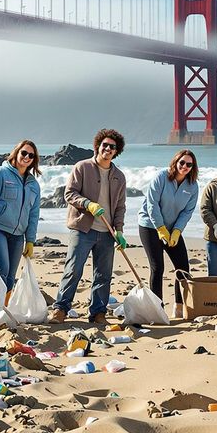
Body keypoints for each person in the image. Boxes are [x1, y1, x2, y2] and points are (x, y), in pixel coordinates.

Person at [53, 128, 128, 324]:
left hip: (107, 232)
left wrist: (119, 231)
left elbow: (120, 206)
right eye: (105, 145)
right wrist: (88, 204)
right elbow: (69, 194)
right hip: (82, 228)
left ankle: (98, 313)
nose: (108, 149)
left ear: (116, 151)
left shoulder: (119, 176)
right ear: (98, 146)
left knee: (103, 274)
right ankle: (61, 309)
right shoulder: (82, 167)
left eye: (113, 147)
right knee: (73, 268)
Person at [139, 149, 200, 316]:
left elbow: (187, 212)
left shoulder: (193, 186)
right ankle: (157, 310)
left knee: (183, 268)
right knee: (158, 268)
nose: (185, 166)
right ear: (175, 162)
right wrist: (160, 228)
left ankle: (179, 308)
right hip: (150, 226)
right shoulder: (161, 177)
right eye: (182, 163)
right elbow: (152, 204)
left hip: (173, 229)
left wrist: (176, 231)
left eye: (189, 164)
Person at [0, 139, 43, 299]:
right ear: (16, 153)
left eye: (31, 155)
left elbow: (34, 214)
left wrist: (30, 240)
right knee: (2, 270)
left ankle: (3, 309)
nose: (27, 157)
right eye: (24, 153)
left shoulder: (34, 185)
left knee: (10, 277)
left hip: (17, 235)